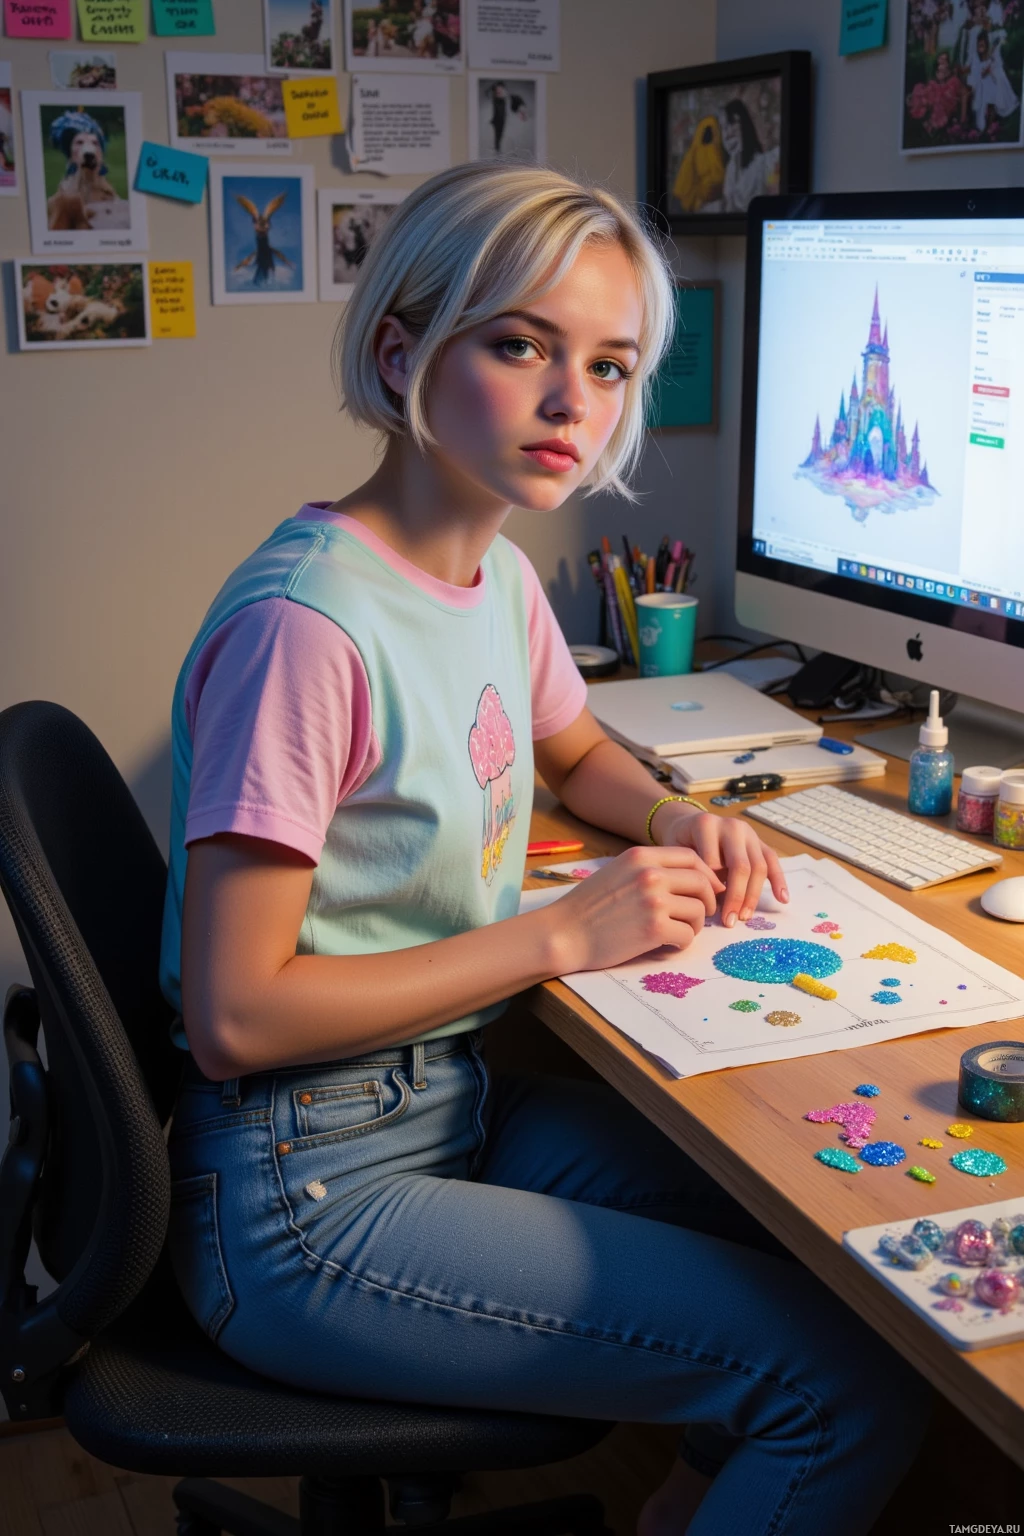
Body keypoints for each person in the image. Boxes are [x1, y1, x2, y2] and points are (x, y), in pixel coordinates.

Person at [161, 162, 931, 1536]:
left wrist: (680, 812)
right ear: (403, 351)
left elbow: (575, 752)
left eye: (611, 364)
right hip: (301, 1198)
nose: (575, 400)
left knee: (835, 1239)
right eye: (520, 345)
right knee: (846, 1385)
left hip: (436, 1108)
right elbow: (233, 1013)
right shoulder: (310, 629)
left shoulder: (494, 575)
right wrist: (563, 936)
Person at [720, 98, 779, 214]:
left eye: (731, 124)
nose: (727, 134)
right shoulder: (730, 169)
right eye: (723, 128)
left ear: (744, 124)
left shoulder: (765, 163)